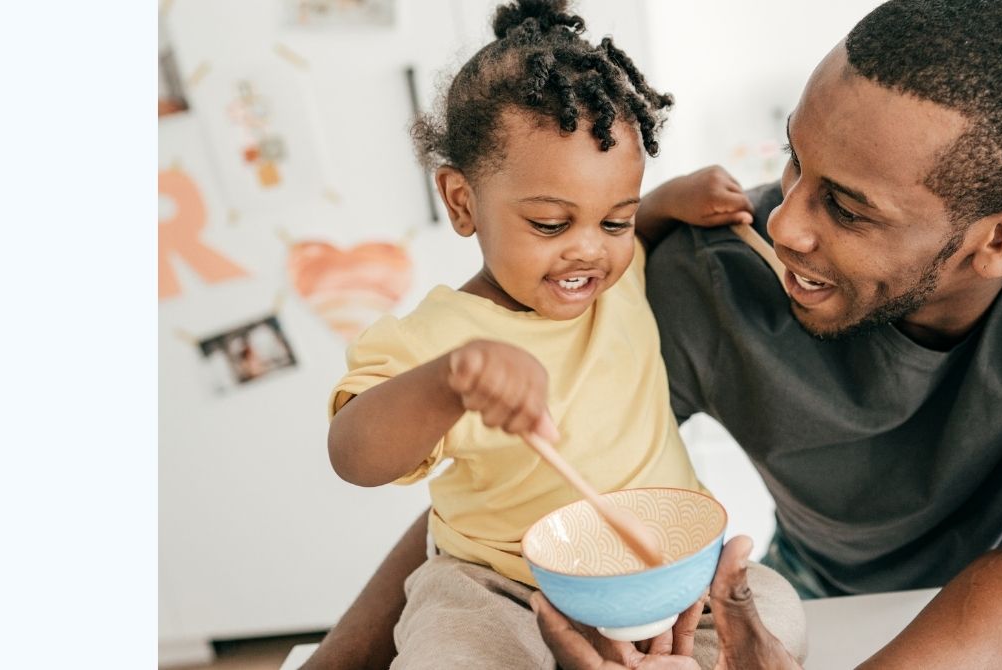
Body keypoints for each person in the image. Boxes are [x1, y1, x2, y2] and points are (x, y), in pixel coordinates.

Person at [311, 0, 1002, 667]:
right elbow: (494, 478)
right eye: (793, 161)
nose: (783, 223)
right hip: (829, 595)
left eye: (848, 207)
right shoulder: (704, 279)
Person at [322, 1, 805, 668]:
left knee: (777, 614)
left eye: (614, 222)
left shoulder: (619, 277)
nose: (589, 252)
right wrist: (449, 380)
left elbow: (637, 232)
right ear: (462, 202)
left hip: (661, 568)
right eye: (550, 224)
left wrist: (669, 201)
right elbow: (353, 455)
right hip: (502, 587)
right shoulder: (432, 342)